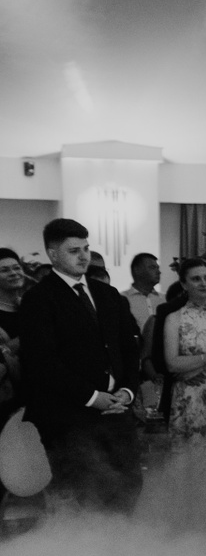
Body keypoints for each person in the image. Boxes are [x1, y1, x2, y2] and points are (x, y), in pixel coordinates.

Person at [16, 219, 144, 512]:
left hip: (117, 411)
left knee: (128, 485)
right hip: (68, 416)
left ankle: (126, 540)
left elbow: (128, 349)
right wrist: (92, 397)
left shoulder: (108, 294)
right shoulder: (39, 299)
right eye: (74, 251)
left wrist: (126, 391)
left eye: (86, 248)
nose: (84, 256)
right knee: (84, 495)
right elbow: (42, 362)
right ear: (53, 254)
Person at [140, 258, 206, 530]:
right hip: (191, 399)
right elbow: (172, 363)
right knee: (193, 463)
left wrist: (198, 365)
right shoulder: (175, 318)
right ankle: (192, 526)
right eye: (196, 279)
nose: (204, 283)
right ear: (184, 284)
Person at [0, 246, 26, 427]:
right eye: (4, 270)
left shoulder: (30, 307)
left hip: (35, 393)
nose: (14, 273)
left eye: (17, 268)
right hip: (6, 399)